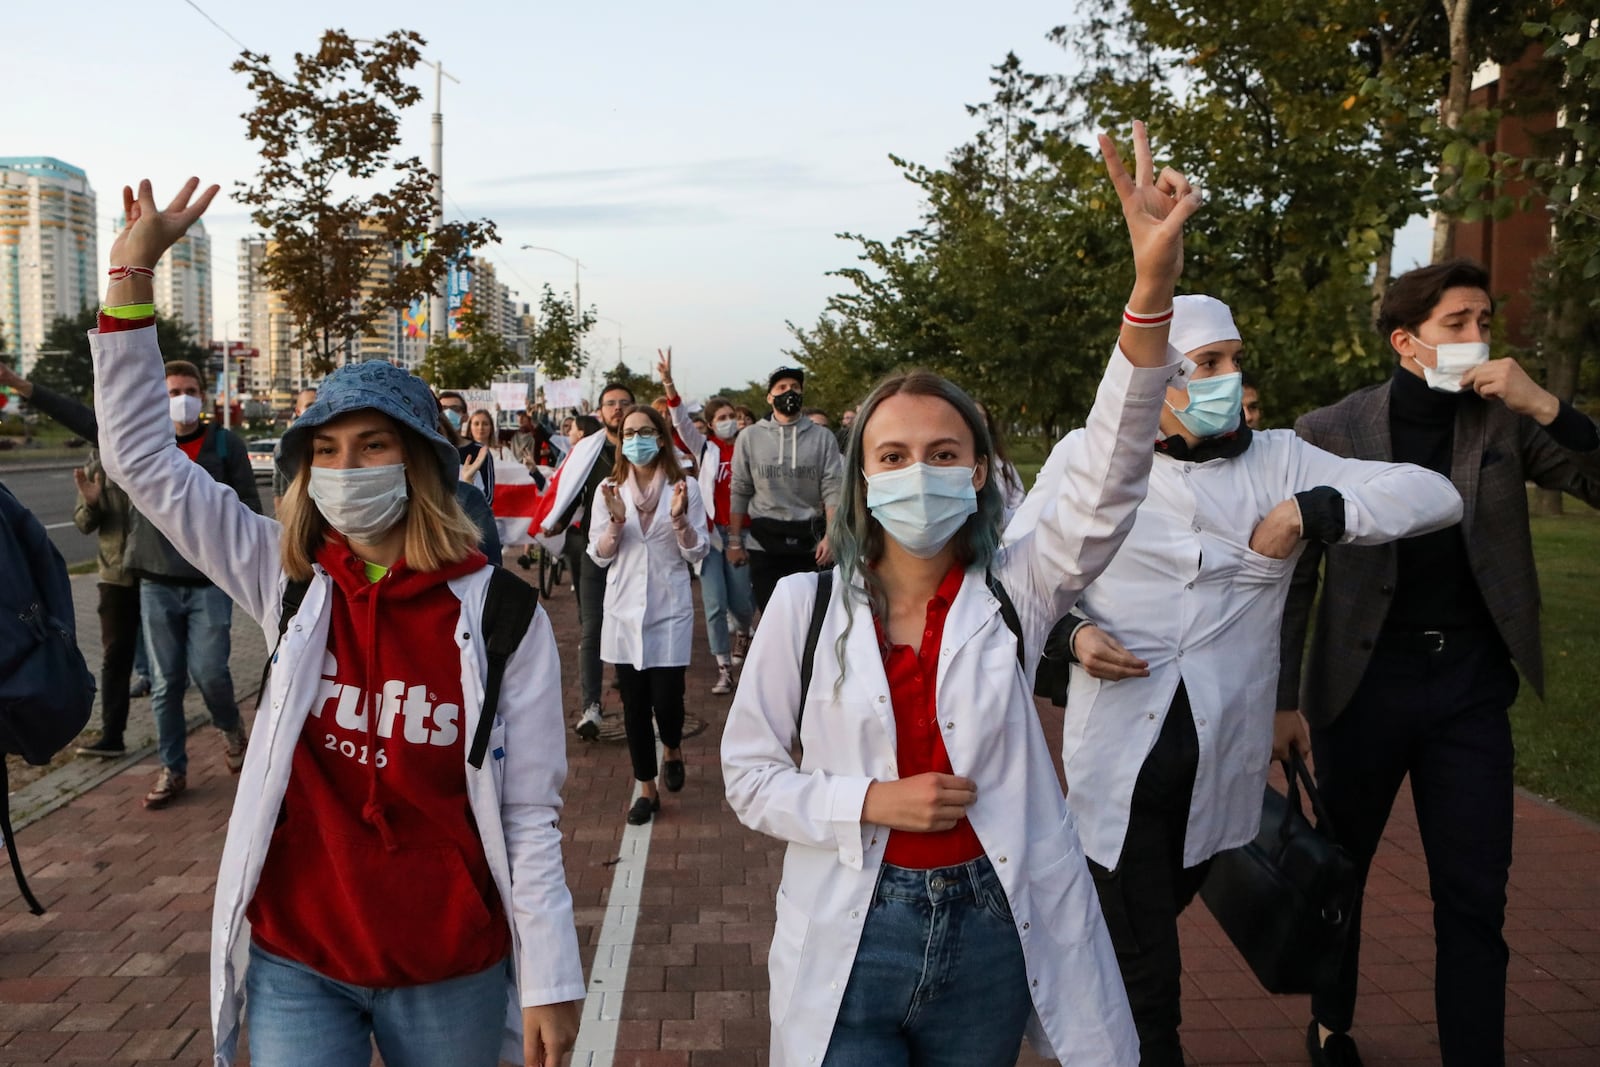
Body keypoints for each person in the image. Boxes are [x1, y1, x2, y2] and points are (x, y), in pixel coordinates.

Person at [721, 121, 1198, 1067]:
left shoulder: (1019, 586)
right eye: (893, 457)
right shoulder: (802, 611)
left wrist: (1149, 293)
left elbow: (1109, 473)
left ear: (979, 472)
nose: (919, 474)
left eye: (944, 455)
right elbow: (750, 777)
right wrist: (871, 800)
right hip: (853, 933)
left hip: (989, 929)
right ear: (861, 479)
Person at [90, 177, 583, 1067]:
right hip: (299, 958)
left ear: (422, 463)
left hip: (448, 964)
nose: (345, 467)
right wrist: (130, 273)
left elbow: (529, 814)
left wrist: (551, 974)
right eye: (324, 450)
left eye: (373, 445)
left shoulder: (501, 614)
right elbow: (140, 459)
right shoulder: (285, 577)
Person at [1038, 294, 1461, 1066]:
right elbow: (1023, 571)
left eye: (1235, 360)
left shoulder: (1281, 458)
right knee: (1143, 965)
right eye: (1208, 364)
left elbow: (1436, 494)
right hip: (1123, 754)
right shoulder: (1088, 456)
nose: (1229, 377)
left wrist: (1312, 508)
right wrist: (1071, 634)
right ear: (1159, 380)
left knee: (1158, 908)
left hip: (1220, 752)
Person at [1279, 259, 1600, 1067]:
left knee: (1474, 893)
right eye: (1458, 322)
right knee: (1339, 873)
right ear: (1407, 341)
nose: (1478, 336)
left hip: (1468, 688)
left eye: (1485, 319)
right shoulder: (1331, 429)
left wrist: (1546, 405)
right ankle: (1331, 1025)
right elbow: (1294, 580)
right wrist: (1283, 702)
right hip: (1362, 684)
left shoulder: (1505, 420)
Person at [120, 355, 259, 808]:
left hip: (211, 581)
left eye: (188, 391)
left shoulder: (224, 444)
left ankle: (231, 728)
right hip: (156, 581)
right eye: (171, 393)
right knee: (166, 683)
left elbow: (248, 509)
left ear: (203, 396)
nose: (181, 400)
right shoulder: (148, 448)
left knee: (210, 672)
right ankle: (172, 768)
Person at [0, 362, 143, 757]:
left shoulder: (162, 447)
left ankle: (190, 741)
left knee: (195, 668)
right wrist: (93, 505)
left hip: (172, 576)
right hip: (117, 574)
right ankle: (114, 736)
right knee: (116, 659)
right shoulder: (101, 457)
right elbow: (80, 525)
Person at [590, 403, 709, 825]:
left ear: (660, 437)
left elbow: (697, 552)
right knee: (634, 706)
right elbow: (599, 555)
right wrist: (616, 524)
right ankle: (646, 788)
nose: (636, 439)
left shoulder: (685, 488)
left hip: (669, 606)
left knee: (667, 700)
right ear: (621, 442)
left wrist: (679, 522)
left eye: (644, 431)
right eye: (628, 433)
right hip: (623, 610)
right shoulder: (609, 490)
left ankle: (673, 747)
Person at [658, 350, 756, 695]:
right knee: (714, 604)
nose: (729, 420)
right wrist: (669, 384)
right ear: (712, 424)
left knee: (743, 602)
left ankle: (745, 631)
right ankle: (724, 668)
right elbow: (682, 421)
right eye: (722, 417)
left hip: (742, 534)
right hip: (712, 534)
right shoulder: (706, 449)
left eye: (732, 415)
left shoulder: (750, 445)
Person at [540, 383, 633, 739]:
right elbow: (570, 492)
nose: (618, 409)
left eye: (625, 403)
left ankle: (630, 689)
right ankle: (591, 707)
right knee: (592, 625)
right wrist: (556, 523)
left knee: (626, 623)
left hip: (633, 553)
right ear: (601, 411)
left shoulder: (645, 449)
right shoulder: (587, 452)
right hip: (592, 550)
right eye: (611, 403)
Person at [726, 367, 844, 611]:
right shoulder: (750, 437)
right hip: (764, 540)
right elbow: (740, 489)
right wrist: (735, 541)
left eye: (795, 387)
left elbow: (833, 489)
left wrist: (831, 537)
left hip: (809, 541)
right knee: (771, 614)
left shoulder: (823, 438)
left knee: (809, 615)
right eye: (781, 388)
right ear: (770, 397)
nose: (789, 392)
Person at [976, 402, 1027, 525]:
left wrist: (999, 519)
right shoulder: (954, 466)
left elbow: (1019, 505)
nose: (977, 421)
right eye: (973, 415)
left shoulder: (1003, 466)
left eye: (981, 417)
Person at [273, 387, 319, 503]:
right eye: (309, 405)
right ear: (298, 411)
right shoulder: (284, 446)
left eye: (318, 404)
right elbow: (278, 488)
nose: (315, 409)